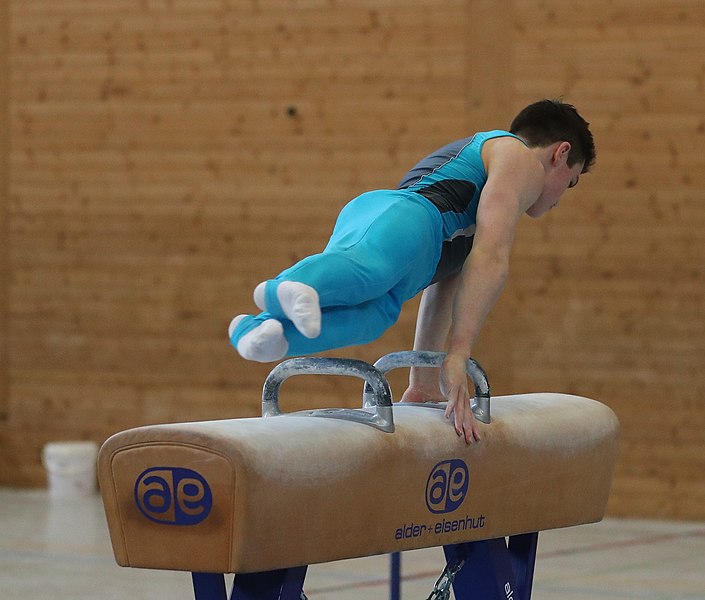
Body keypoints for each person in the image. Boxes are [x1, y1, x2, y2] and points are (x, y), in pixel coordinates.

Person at [228, 99, 596, 444]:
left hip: (416, 254)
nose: (560, 198)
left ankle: (266, 334)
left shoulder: (475, 219)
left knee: (375, 317)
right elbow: (492, 257)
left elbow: (446, 289)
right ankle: (279, 290)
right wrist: (459, 353)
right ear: (560, 153)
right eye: (571, 180)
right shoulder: (519, 156)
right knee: (370, 272)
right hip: (404, 216)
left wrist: (423, 381)